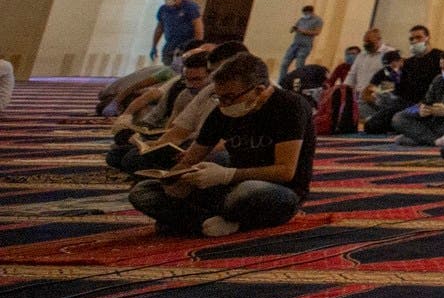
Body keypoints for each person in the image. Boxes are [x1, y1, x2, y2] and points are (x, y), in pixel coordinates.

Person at [128, 52, 311, 238]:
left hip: (276, 191)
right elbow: (191, 158)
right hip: (228, 188)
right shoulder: (222, 110)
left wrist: (227, 175)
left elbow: (285, 171)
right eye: (219, 97)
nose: (224, 104)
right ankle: (207, 222)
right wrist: (176, 180)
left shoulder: (289, 106)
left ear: (258, 90)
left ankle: (189, 220)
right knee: (143, 192)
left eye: (230, 98)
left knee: (245, 193)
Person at [109, 47, 221, 175]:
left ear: (212, 76)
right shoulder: (185, 93)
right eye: (188, 80)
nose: (191, 85)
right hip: (178, 141)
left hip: (198, 146)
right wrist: (157, 144)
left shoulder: (218, 97)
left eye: (197, 79)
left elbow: (211, 141)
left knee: (131, 159)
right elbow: (174, 129)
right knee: (116, 155)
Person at [151, 0, 203, 66]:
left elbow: (198, 29)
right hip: (170, 46)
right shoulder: (164, 9)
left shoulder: (190, 7)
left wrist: (196, 48)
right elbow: (159, 28)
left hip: (185, 47)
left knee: (179, 71)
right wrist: (154, 46)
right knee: (168, 71)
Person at [279, 6, 323, 78]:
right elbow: (294, 28)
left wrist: (304, 31)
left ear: (311, 12)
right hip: (295, 44)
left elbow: (317, 32)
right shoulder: (301, 19)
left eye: (306, 13)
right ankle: (281, 81)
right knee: (284, 63)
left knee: (299, 65)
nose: (305, 15)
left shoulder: (318, 20)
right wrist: (293, 29)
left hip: (305, 46)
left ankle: (298, 81)